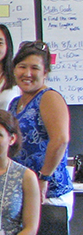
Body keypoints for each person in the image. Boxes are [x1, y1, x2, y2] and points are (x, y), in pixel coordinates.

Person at [8, 41, 74, 219]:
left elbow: (60, 140)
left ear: (45, 73)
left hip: (49, 195)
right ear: (14, 70)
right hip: (24, 194)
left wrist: (44, 179)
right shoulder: (15, 104)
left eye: (35, 68)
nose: (27, 74)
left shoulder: (48, 97)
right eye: (22, 67)